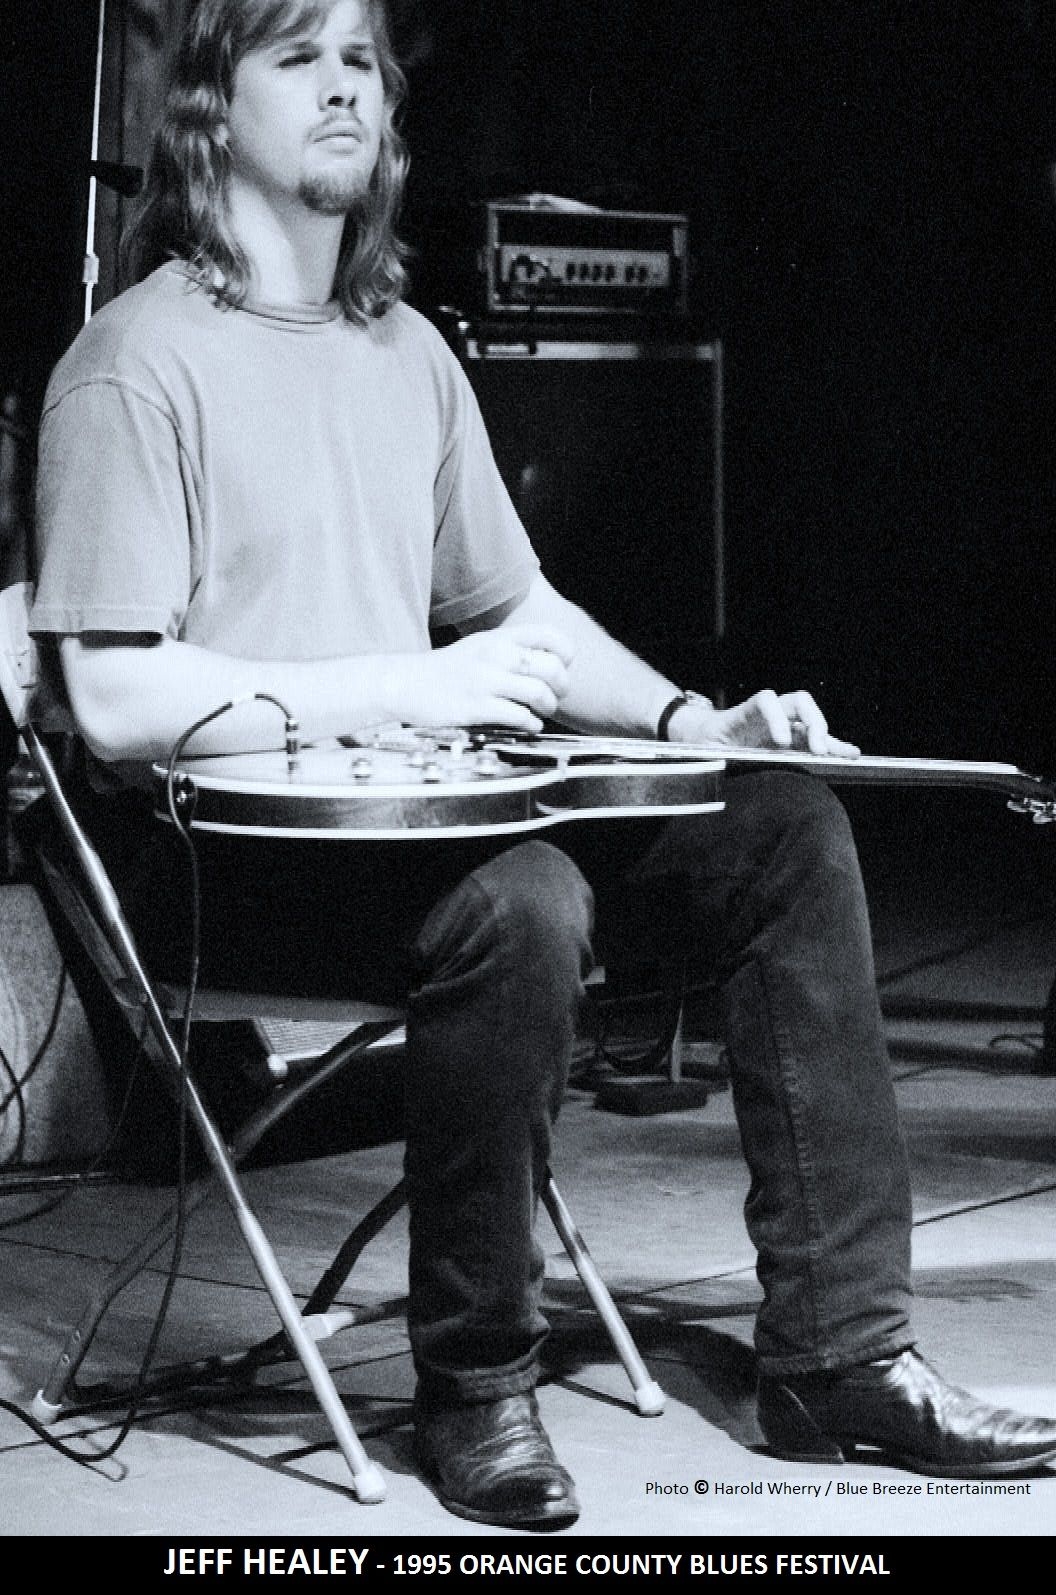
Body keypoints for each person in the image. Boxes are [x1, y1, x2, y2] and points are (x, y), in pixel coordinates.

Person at [29, 0, 1056, 1531]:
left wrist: (693, 725)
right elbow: (115, 700)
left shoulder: (404, 353)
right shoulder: (133, 362)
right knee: (524, 898)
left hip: (427, 830)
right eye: (298, 57)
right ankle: (474, 1387)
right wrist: (404, 684)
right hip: (235, 875)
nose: (343, 87)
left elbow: (523, 617)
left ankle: (842, 1358)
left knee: (779, 827)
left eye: (362, 60)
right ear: (209, 112)